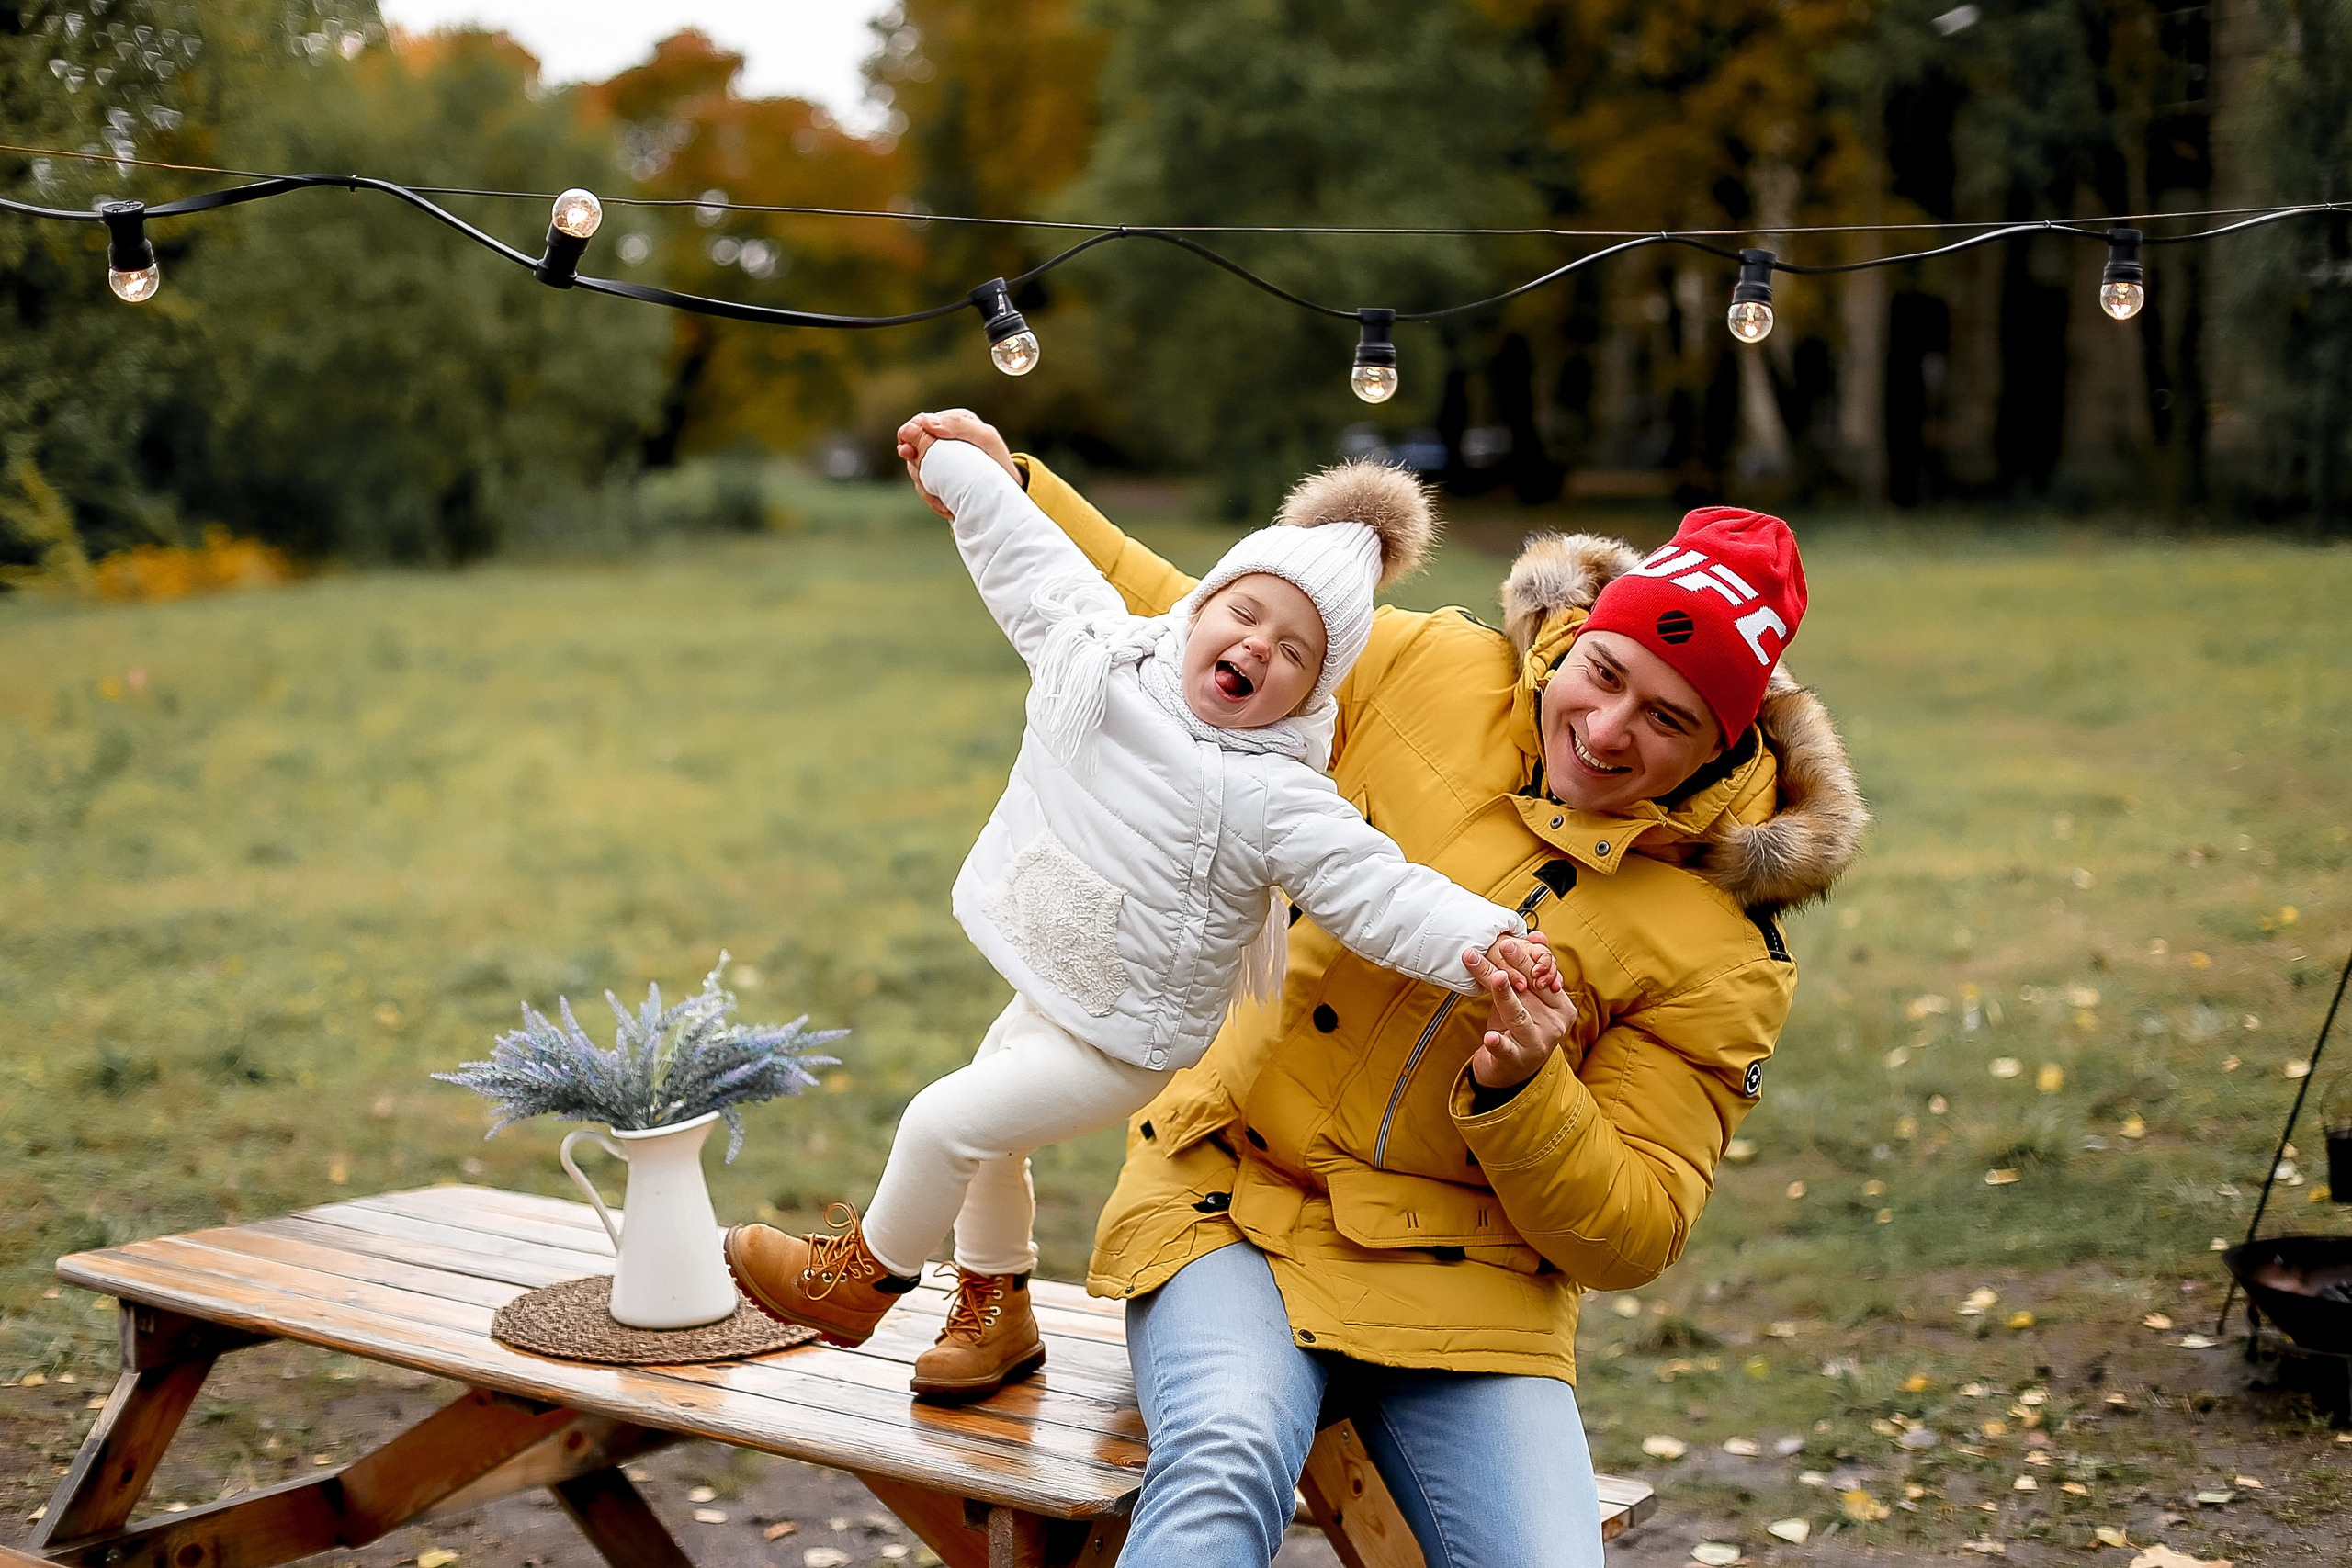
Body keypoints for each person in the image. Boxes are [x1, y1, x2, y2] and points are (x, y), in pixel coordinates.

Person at [887, 412, 1865, 1567]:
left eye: (1667, 719)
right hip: (1233, 1200)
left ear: (1721, 743)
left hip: (1471, 1292)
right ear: (1576, 641)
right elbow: (1201, 618)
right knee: (1222, 1460)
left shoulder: (1724, 947)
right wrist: (1010, 484)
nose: (1605, 731)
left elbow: (1634, 1231)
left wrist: (1526, 1093)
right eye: (1603, 675)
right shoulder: (1432, 671)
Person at [725, 428, 1563, 1404]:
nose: (1259, 645)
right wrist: (958, 471)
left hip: (1122, 1039)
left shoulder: (1277, 794)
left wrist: (1494, 942)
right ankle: (997, 1316)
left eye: (1295, 651)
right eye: (1245, 612)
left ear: (1312, 692)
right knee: (991, 1141)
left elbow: (1380, 889)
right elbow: (1029, 562)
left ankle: (859, 1281)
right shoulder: (1103, 654)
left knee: (943, 1120)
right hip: (1050, 978)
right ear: (1202, 605)